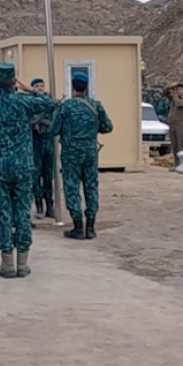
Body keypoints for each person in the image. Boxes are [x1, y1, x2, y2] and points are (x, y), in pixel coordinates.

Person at [0, 63, 55, 278]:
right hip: (24, 165)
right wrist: (28, 88)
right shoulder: (25, 102)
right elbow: (49, 102)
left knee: (2, 213)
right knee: (22, 212)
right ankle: (23, 262)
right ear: (13, 81)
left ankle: (7, 262)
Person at [52, 71, 114, 240]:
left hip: (70, 153)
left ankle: (78, 227)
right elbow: (108, 127)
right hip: (90, 152)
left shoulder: (66, 106)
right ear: (87, 87)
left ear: (73, 87)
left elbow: (54, 129)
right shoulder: (96, 105)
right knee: (91, 186)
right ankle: (91, 227)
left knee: (71, 187)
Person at [30, 78, 55, 219]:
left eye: (41, 85)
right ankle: (39, 206)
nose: (39, 88)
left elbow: (55, 121)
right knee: (35, 177)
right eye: (36, 86)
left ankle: (50, 206)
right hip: (35, 143)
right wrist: (35, 123)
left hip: (48, 142)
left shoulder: (50, 103)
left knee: (48, 177)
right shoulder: (29, 103)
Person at [166, 83, 183, 163]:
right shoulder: (173, 98)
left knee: (181, 145)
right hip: (172, 123)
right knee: (174, 145)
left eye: (179, 89)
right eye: (176, 90)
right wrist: (170, 87)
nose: (178, 91)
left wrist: (175, 95)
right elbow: (165, 93)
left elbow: (179, 104)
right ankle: (177, 164)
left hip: (180, 123)